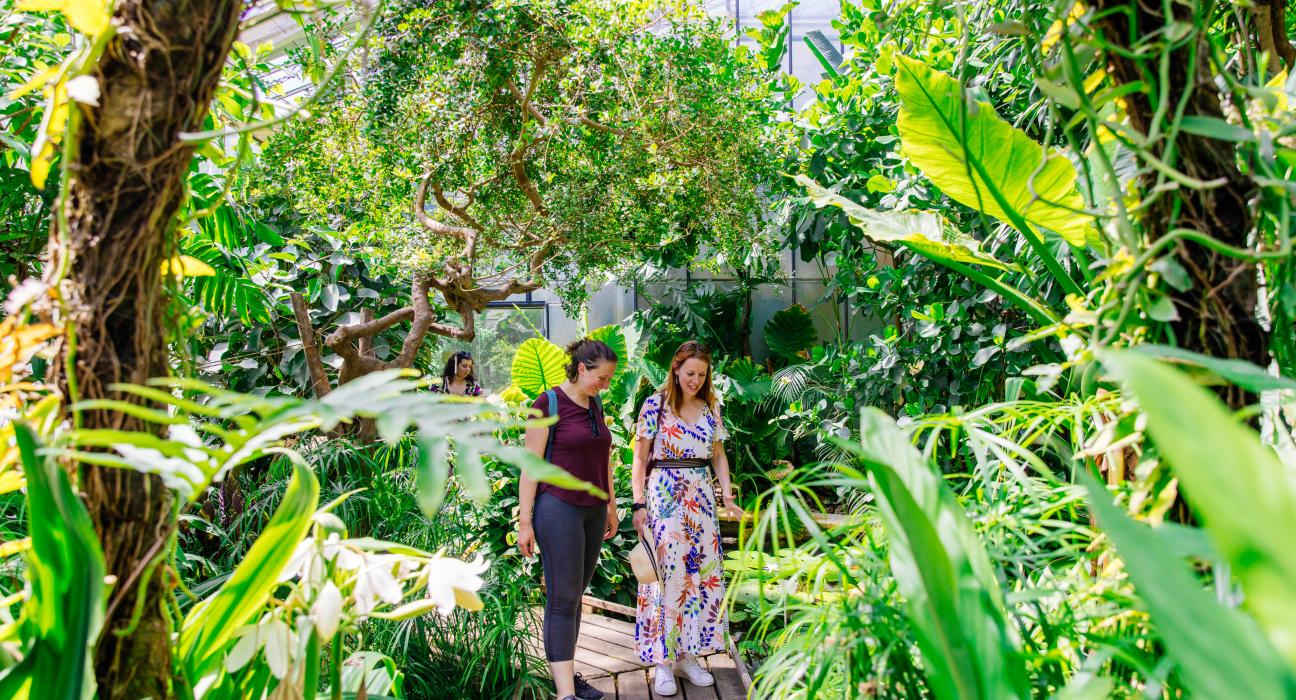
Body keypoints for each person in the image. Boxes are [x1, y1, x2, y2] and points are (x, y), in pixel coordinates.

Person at [631, 340, 745, 696]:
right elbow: (639, 458)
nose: (696, 379)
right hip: (665, 496)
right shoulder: (655, 405)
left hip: (702, 500)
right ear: (676, 369)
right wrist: (638, 504)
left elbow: (718, 454)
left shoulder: (711, 406)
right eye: (690, 373)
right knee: (669, 577)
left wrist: (726, 494)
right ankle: (663, 662)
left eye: (702, 373)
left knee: (699, 577)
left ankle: (687, 655)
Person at [517, 338, 619, 700]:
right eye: (601, 378)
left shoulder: (596, 403)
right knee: (561, 599)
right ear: (581, 369)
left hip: (593, 511)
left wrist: (611, 505)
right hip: (557, 507)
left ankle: (567, 677)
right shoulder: (547, 404)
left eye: (608, 380)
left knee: (575, 596)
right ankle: (565, 695)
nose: (605, 385)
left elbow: (603, 457)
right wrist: (525, 522)